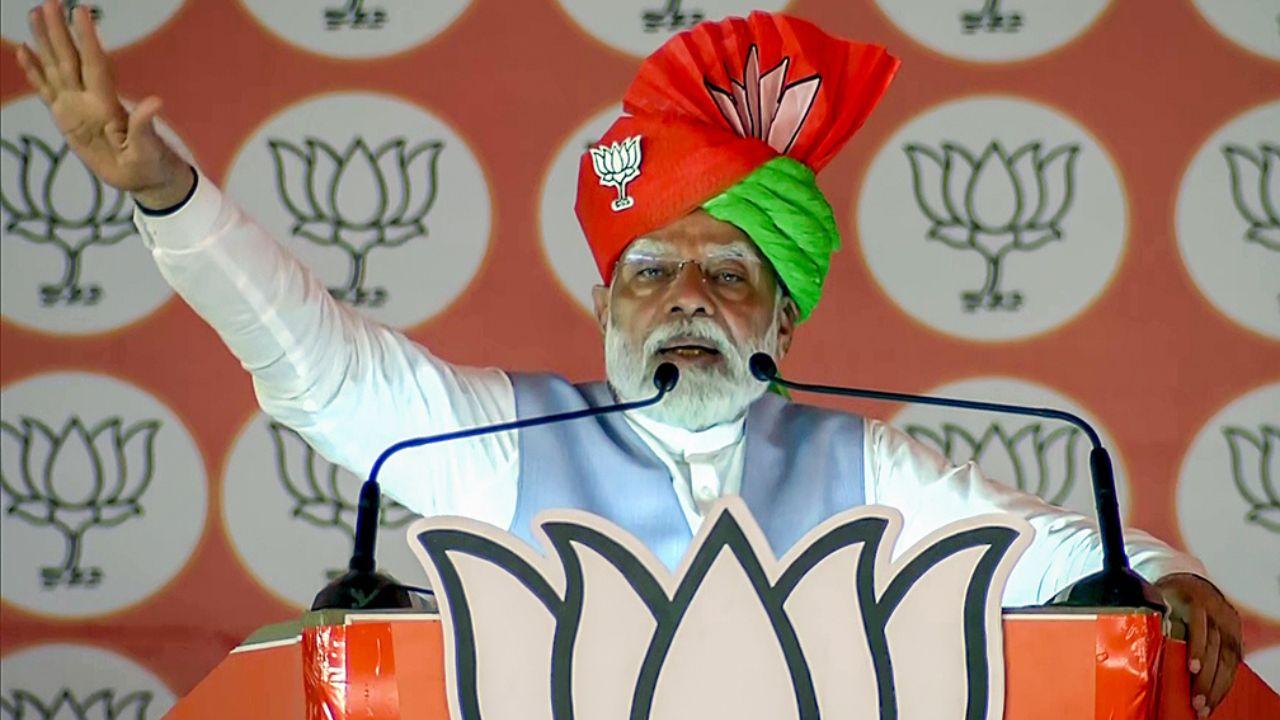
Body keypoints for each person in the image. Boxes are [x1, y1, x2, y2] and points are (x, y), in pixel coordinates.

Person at [13, 1, 1241, 714]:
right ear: (606, 304)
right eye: (649, 273)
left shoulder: (857, 463)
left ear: (781, 321)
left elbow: (1075, 559)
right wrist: (168, 194)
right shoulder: (494, 445)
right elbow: (317, 369)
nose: (685, 299)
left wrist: (1167, 574)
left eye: (726, 273)